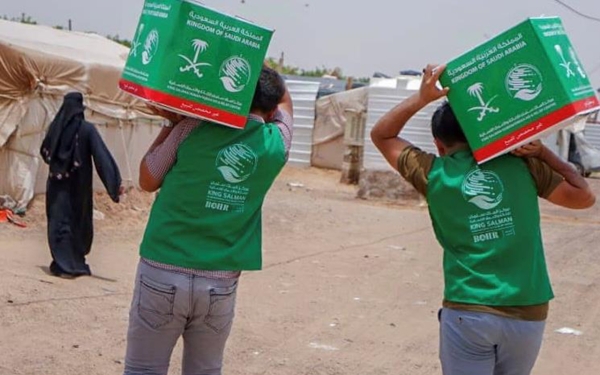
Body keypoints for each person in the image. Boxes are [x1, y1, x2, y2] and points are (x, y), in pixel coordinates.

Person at [371, 64, 596, 375]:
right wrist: (544, 153)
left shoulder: (432, 173)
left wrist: (421, 98)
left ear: (439, 143)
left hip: (467, 309)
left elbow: (382, 135)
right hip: (528, 311)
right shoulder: (524, 164)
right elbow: (584, 196)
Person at [123, 66, 294, 375]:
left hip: (163, 269)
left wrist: (170, 123)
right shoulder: (276, 146)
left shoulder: (192, 127)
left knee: (143, 370)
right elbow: (285, 104)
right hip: (220, 281)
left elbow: (148, 179)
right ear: (269, 110)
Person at [40, 92, 122, 278]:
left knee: (58, 222)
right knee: (77, 222)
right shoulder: (87, 130)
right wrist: (114, 185)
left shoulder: (55, 128)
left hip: (56, 187)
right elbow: (102, 157)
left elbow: (45, 152)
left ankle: (62, 263)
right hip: (79, 187)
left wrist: (59, 166)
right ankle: (74, 264)